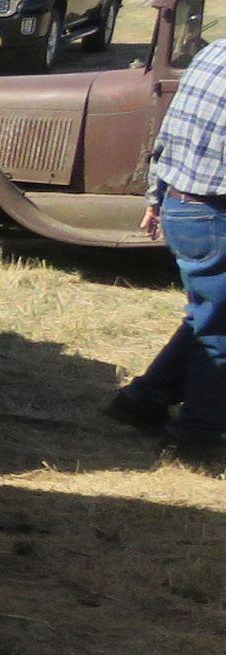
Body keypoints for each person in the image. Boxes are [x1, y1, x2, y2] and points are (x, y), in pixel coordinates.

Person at [109, 31, 226, 455]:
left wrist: (157, 199)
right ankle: (196, 435)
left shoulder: (215, 51)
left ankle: (142, 401)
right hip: (215, 212)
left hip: (185, 205)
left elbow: (167, 134)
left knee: (207, 318)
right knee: (219, 330)